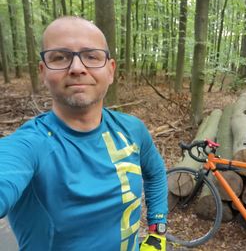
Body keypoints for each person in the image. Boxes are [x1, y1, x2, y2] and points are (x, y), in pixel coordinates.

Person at [0, 16, 168, 251]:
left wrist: (157, 230)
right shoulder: (30, 145)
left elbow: (156, 172)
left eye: (91, 56)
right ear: (43, 72)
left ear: (110, 70)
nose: (77, 68)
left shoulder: (132, 129)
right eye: (60, 57)